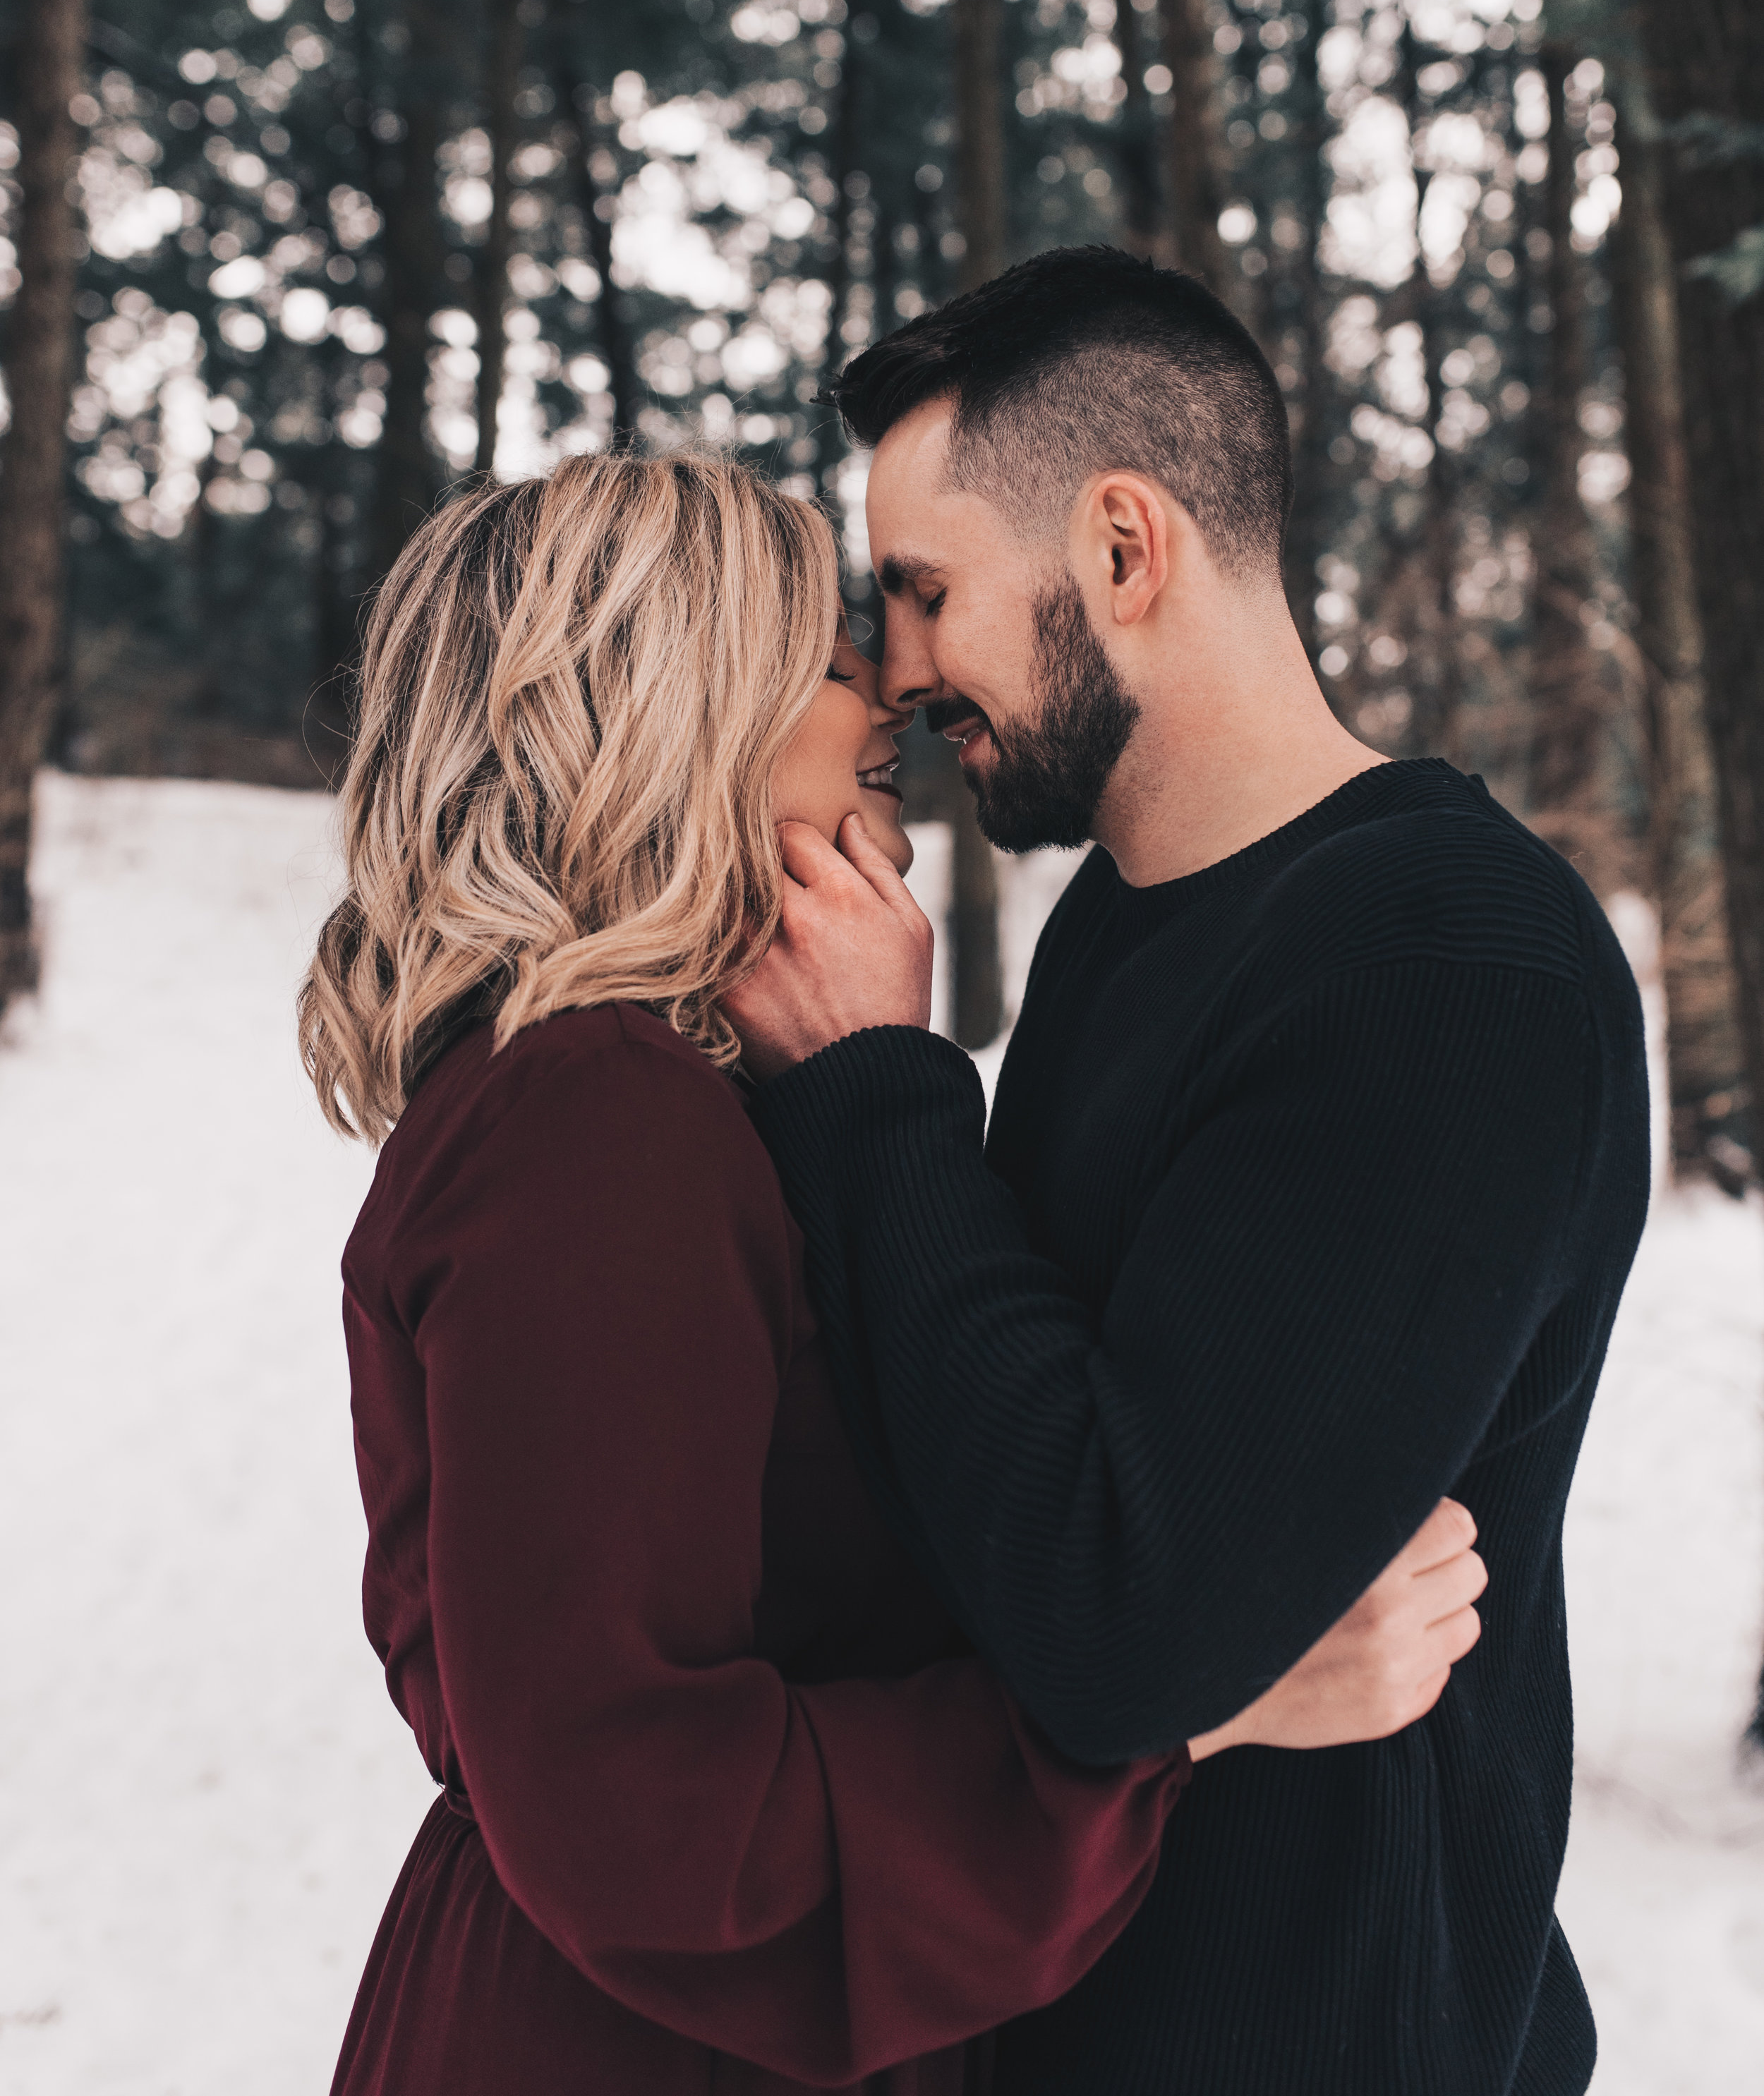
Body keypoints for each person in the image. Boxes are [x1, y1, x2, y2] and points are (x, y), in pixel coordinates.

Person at [299, 452, 1487, 2096]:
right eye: (828, 642)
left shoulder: (636, 1095)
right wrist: (1193, 1710)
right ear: (667, 697)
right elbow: (638, 1800)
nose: (888, 683)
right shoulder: (597, 1113)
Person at [725, 246, 1652, 2096]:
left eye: (922, 594)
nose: (892, 677)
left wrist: (884, 1091)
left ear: (1123, 550)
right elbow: (988, 1477)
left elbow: (1113, 1622)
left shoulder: (1445, 966)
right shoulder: (1129, 929)